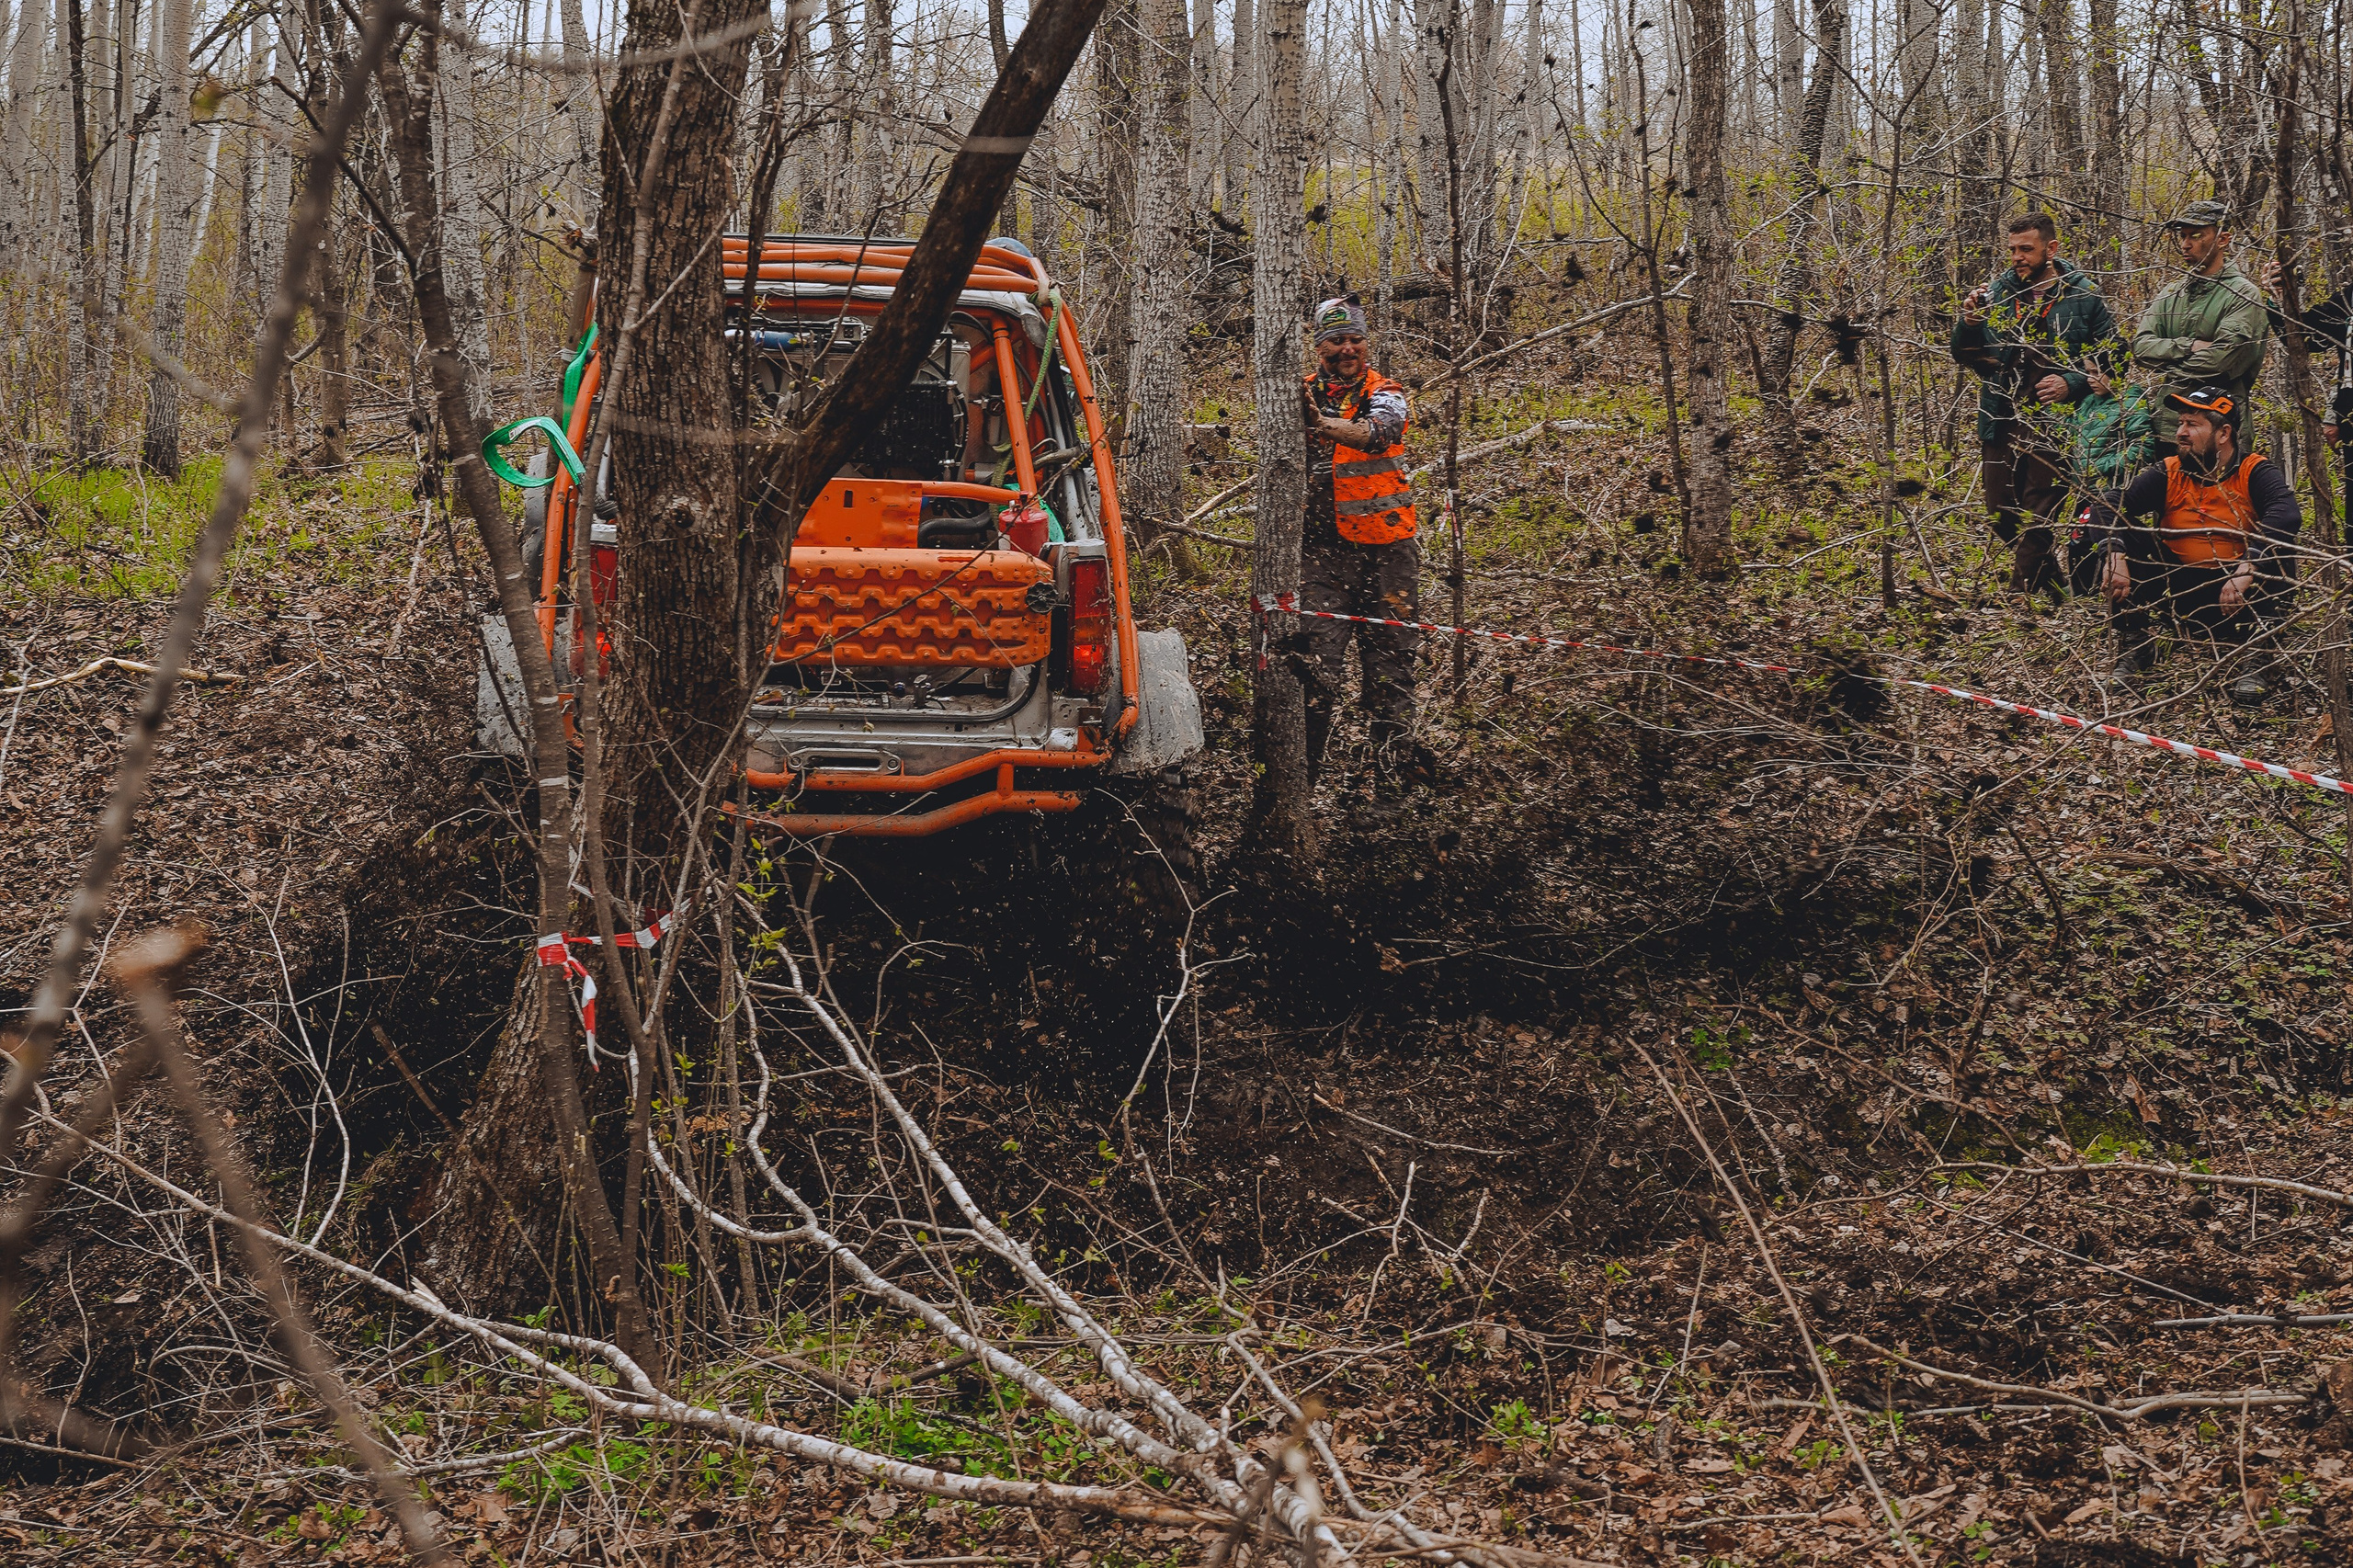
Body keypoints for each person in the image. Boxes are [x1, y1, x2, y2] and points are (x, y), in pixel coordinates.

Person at [2094, 387, 2301, 705]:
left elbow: (2286, 513)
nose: (2181, 432)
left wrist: (2249, 564)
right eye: (2180, 424)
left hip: (2238, 593)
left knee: (2280, 542)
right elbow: (2109, 503)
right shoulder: (2168, 470)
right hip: (2180, 591)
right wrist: (2115, 553)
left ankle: (2260, 654)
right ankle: (2137, 643)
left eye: (2192, 424)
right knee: (2111, 532)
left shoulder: (2254, 470)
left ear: (2224, 433)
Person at [1298, 297, 1420, 826]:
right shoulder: (1296, 392)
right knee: (1312, 671)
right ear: (1318, 345)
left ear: (1366, 344)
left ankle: (1392, 794)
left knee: (1389, 673)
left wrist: (1323, 425)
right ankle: (1295, 793)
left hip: (1388, 556)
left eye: (1355, 340)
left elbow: (1379, 434)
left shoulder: (1386, 392)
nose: (1347, 349)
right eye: (1336, 340)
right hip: (1322, 558)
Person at [1952, 211, 2120, 597]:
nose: (2017, 257)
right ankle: (2055, 589)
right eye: (2012, 249)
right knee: (1999, 513)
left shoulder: (2084, 295)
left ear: (2051, 248)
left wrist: (2071, 382)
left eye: (2026, 248)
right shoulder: (1999, 292)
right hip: (2002, 414)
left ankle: (2019, 598)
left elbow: (2116, 357)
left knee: (2038, 513)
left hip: (2056, 423)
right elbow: (1964, 353)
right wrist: (1971, 321)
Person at [2131, 200, 2268, 455]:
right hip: (2170, 427)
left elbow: (2221, 360)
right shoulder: (2171, 293)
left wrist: (2169, 364)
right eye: (2182, 236)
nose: (2185, 244)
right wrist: (2189, 346)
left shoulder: (2243, 294)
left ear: (2223, 239)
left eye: (2196, 235)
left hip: (2222, 429)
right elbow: (2140, 348)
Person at [2063, 362, 2158, 596]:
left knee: (2098, 536)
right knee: (2078, 538)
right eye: (2088, 372)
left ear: (2116, 372)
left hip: (2111, 488)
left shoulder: (2131, 404)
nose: (2090, 379)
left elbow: (2144, 447)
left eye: (2098, 373)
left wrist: (2102, 466)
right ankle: (2082, 588)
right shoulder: (2088, 403)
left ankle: (2092, 588)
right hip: (2085, 486)